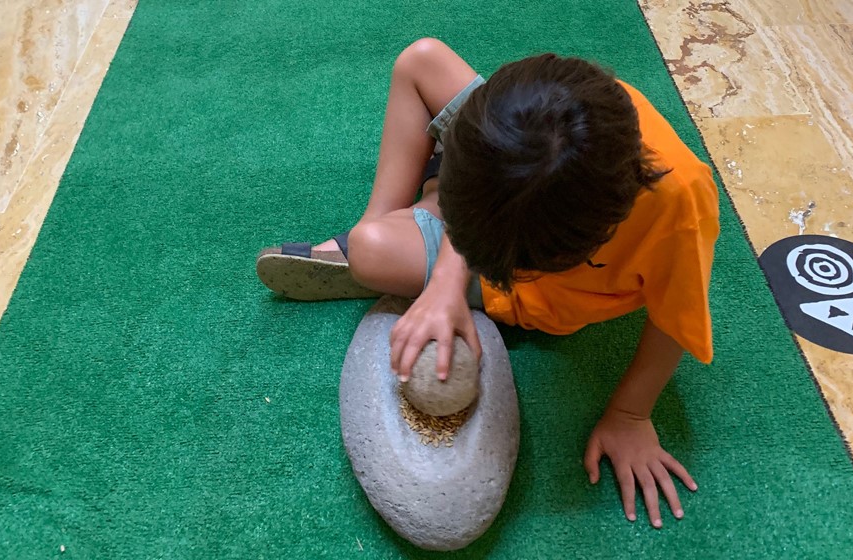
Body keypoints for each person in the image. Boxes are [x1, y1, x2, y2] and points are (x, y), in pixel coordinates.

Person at [257, 38, 719, 529]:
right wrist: (444, 282)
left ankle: (426, 206)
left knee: (374, 252)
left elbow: (674, 320)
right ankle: (415, 208)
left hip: (526, 292)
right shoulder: (545, 111)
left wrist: (630, 415)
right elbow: (420, 68)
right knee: (424, 60)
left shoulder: (680, 205)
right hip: (505, 209)